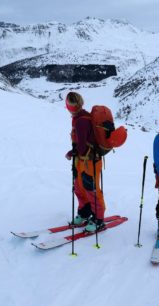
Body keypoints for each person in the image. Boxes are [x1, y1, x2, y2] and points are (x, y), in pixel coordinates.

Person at [65, 92, 106, 232]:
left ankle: (98, 219)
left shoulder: (82, 121)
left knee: (91, 190)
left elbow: (82, 147)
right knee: (79, 187)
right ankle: (85, 212)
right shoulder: (79, 117)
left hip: (90, 161)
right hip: (82, 161)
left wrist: (72, 152)